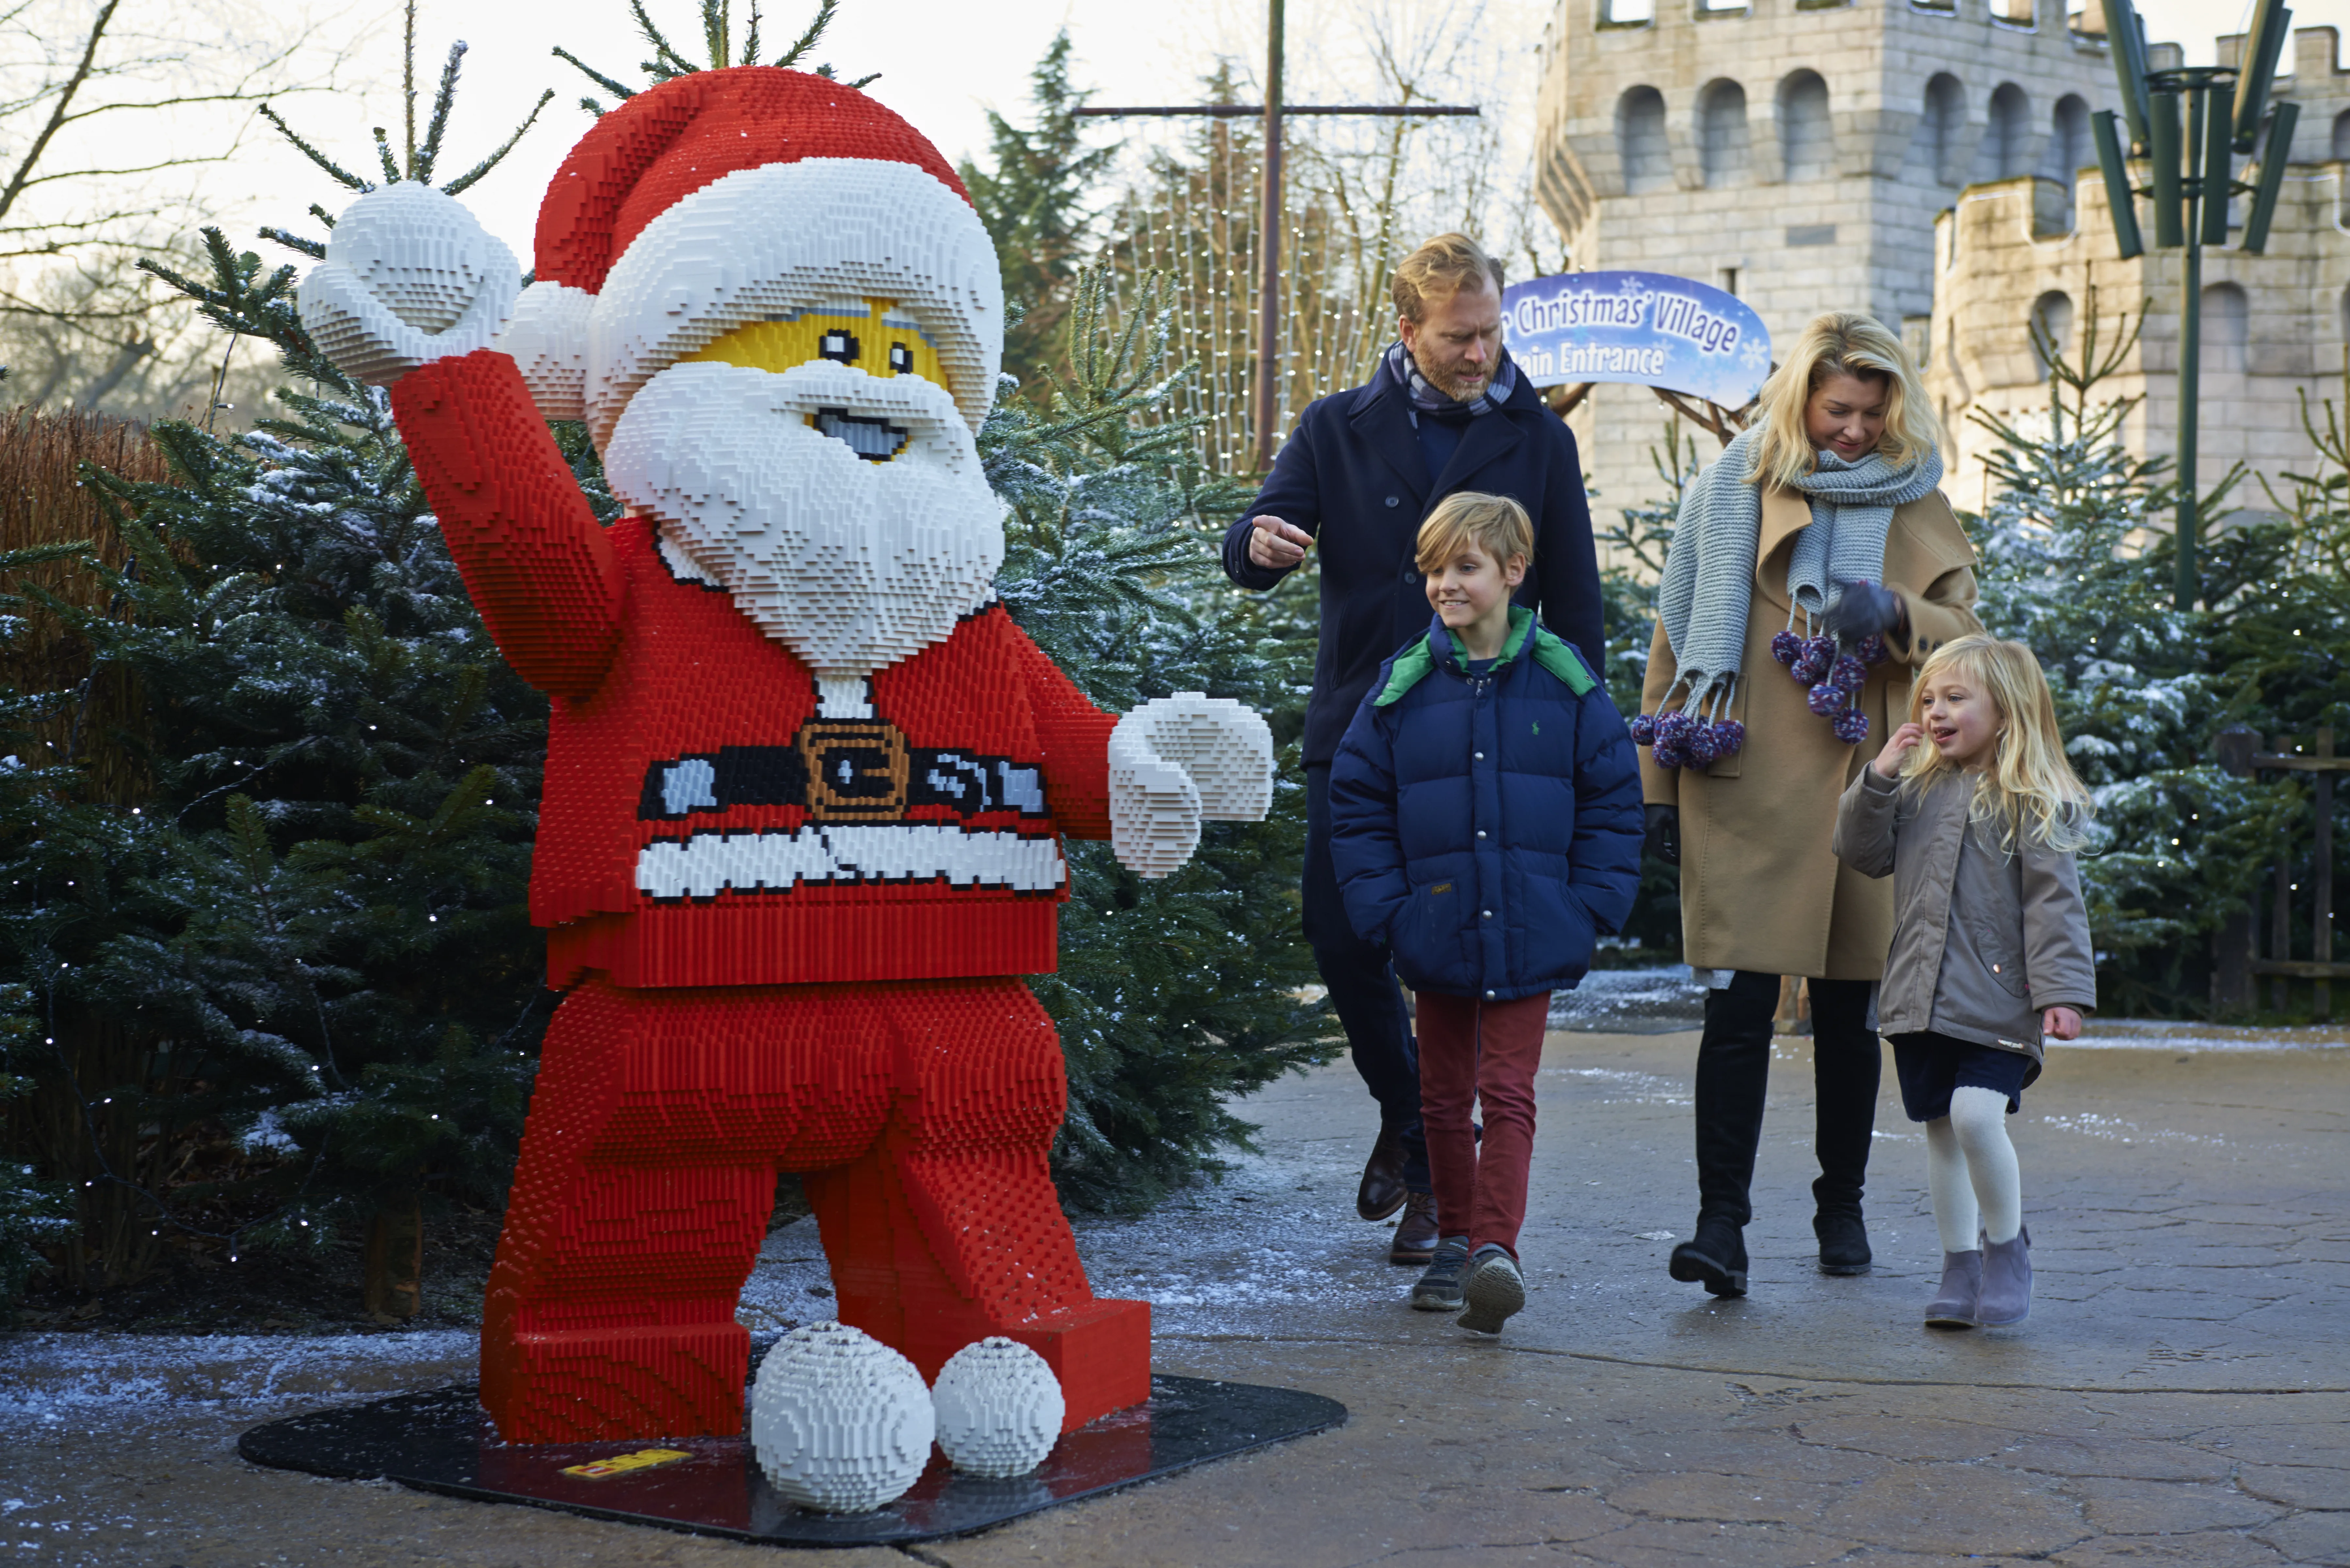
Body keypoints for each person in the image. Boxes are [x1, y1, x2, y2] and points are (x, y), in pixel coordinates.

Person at [1223, 232, 1604, 1267]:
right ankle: (1410, 1115)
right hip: (1363, 722)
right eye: (1459, 337)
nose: (1482, 354)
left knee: (1463, 951)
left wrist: (1579, 731)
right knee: (1341, 931)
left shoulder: (1538, 437)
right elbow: (1259, 538)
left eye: (1490, 333)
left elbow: (1575, 597)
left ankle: (1446, 1184)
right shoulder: (1337, 427)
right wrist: (1259, 540)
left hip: (1491, 730)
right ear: (1407, 330)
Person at [1637, 312, 1983, 1297]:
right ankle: (1721, 1227)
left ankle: (1842, 1209)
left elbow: (1970, 640)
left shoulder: (1920, 505)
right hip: (1743, 785)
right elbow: (1676, 641)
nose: (1856, 429)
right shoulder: (1732, 491)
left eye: (1875, 411)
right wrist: (1658, 787)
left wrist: (1900, 615)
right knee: (1739, 1011)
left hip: (1872, 788)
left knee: (1848, 1011)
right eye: (1839, 409)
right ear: (1802, 399)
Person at [1325, 492, 1642, 1333]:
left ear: (1512, 573)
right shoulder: (1404, 686)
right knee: (1440, 1098)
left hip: (1533, 921)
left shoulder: (1566, 681)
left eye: (1463, 567)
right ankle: (1452, 1235)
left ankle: (1491, 1251)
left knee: (1507, 1091)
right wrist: (1388, 911)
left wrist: (1589, 904)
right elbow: (1355, 802)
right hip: (1434, 923)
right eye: (1432, 569)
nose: (1443, 584)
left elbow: (1614, 794)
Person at [1833, 634, 2095, 1328]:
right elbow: (1862, 853)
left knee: (1979, 1116)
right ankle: (1959, 1265)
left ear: (2006, 712)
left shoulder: (2029, 798)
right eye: (1930, 698)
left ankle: (2007, 1250)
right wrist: (1880, 777)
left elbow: (2055, 904)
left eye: (1957, 698)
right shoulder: (1916, 788)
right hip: (1919, 996)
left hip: (2002, 999)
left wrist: (2062, 992)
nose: (1937, 711)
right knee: (1942, 1131)